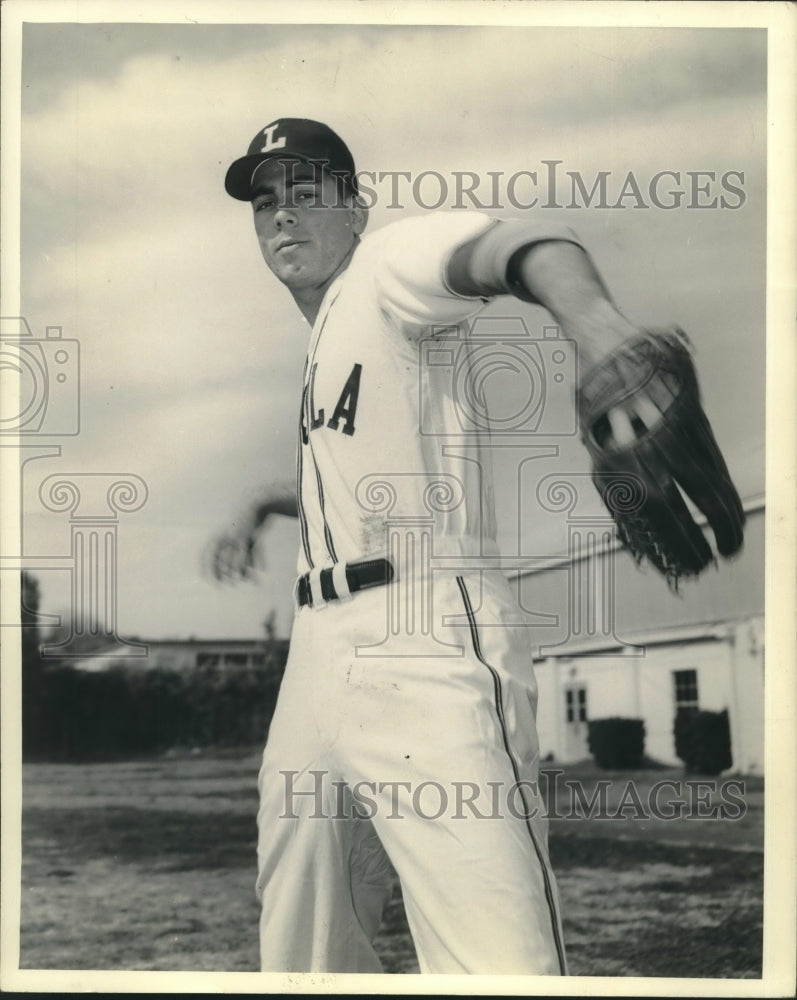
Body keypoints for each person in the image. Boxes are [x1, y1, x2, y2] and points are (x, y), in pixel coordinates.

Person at [211, 117, 651, 975]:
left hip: (423, 630)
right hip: (317, 656)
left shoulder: (386, 266)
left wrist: (596, 325)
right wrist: (260, 504)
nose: (282, 217)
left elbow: (522, 243)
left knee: (493, 950)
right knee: (300, 943)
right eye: (265, 201)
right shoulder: (329, 335)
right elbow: (352, 475)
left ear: (356, 209)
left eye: (307, 194)